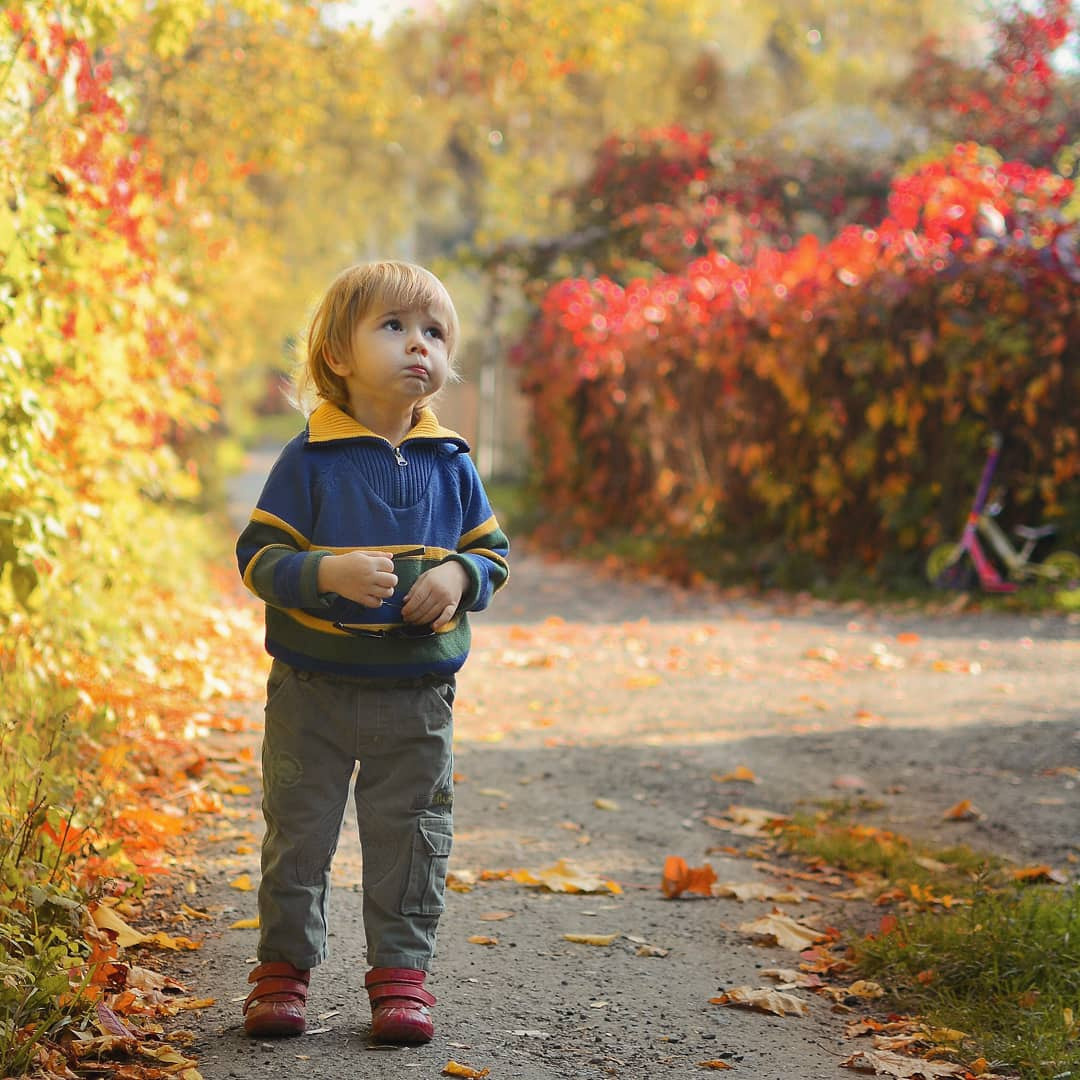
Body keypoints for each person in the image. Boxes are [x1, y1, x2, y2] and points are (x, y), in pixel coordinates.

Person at [235, 260, 509, 1045]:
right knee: (299, 835)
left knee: (412, 836)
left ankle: (401, 978)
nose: (420, 345)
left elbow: (491, 554)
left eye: (435, 333)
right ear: (338, 354)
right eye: (394, 326)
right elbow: (258, 558)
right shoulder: (310, 459)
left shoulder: (451, 462)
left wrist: (459, 576)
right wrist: (325, 573)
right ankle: (282, 973)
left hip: (417, 697)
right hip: (312, 692)